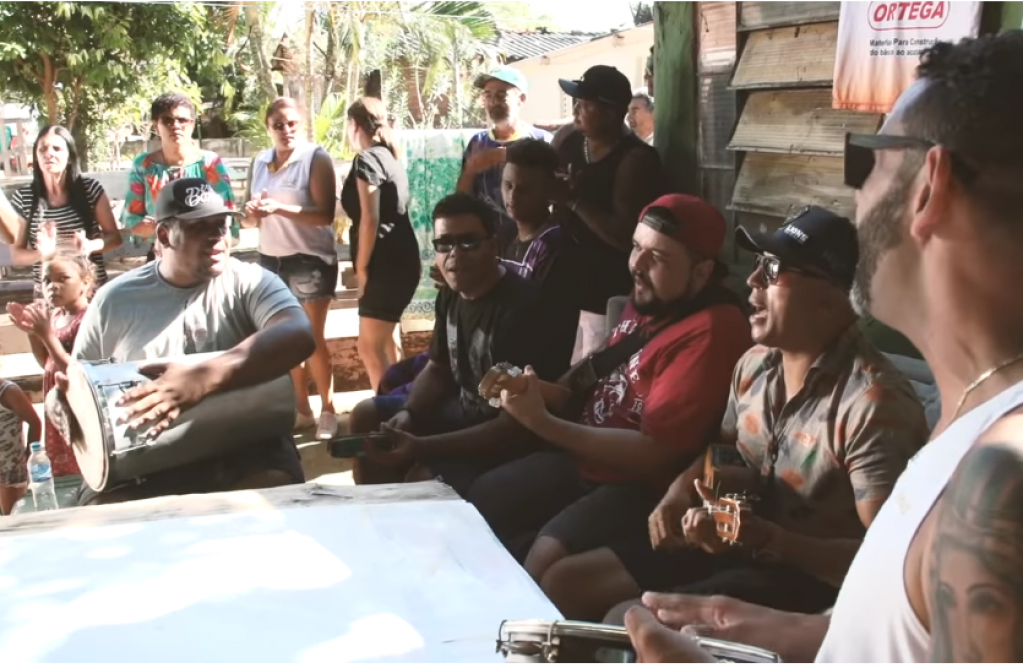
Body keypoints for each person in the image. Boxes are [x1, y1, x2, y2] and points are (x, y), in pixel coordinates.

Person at [623, 31, 1023, 663]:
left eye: (863, 161)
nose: (854, 198)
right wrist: (795, 636)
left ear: (930, 186)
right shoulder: (972, 427)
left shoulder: (1003, 475)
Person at [551, 207, 928, 623]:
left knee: (626, 620)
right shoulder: (755, 364)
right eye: (758, 265)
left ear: (832, 299)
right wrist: (686, 493)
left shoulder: (873, 406)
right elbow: (729, 452)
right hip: (738, 548)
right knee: (566, 583)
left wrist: (775, 541)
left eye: (773, 269)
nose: (752, 280)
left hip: (809, 584)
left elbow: (892, 563)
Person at [466, 194, 750, 579]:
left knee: (542, 563)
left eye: (659, 257)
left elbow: (656, 454)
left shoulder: (713, 329)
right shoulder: (651, 297)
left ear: (701, 273)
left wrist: (542, 423)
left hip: (635, 485)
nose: (638, 265)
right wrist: (533, 391)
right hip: (582, 459)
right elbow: (593, 388)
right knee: (479, 503)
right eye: (636, 247)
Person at [52, 178, 315, 505]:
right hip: (152, 459)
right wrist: (61, 405)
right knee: (96, 515)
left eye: (221, 225)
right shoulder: (114, 301)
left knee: (274, 491)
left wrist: (203, 378)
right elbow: (76, 382)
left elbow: (299, 334)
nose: (217, 237)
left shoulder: (250, 280)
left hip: (244, 447)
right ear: (164, 235)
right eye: (199, 227)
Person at [349, 192, 576, 495]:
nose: (454, 254)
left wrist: (422, 447)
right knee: (366, 417)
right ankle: (376, 517)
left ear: (493, 246)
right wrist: (411, 413)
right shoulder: (452, 291)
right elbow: (438, 367)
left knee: (421, 481)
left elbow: (514, 426)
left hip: (509, 435)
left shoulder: (522, 310)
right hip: (462, 411)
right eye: (445, 244)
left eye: (468, 242)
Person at [553, 65, 667, 362]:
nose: (576, 110)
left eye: (585, 104)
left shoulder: (635, 160)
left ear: (611, 111)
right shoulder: (569, 142)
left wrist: (575, 201)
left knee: (588, 375)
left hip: (603, 291)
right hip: (565, 284)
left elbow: (626, 236)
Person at [245, 97, 340, 439]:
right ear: (268, 128)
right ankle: (301, 409)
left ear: (302, 124)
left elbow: (324, 215)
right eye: (278, 125)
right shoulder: (260, 161)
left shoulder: (315, 158)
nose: (286, 131)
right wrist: (254, 212)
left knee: (312, 338)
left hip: (309, 259)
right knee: (286, 340)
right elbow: (248, 217)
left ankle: (328, 410)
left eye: (292, 124)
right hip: (271, 259)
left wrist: (279, 209)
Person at [340, 97, 421, 393]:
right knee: (388, 345)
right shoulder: (389, 157)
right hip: (401, 261)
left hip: (384, 265)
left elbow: (370, 220)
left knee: (369, 349)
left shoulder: (368, 159)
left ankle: (387, 419)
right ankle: (404, 410)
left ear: (354, 125)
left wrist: (361, 268)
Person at [7, 251, 95, 480]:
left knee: (83, 466)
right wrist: (33, 334)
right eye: (47, 280)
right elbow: (46, 363)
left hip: (77, 405)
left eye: (62, 278)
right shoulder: (54, 317)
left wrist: (45, 334)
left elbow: (76, 371)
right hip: (56, 407)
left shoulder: (88, 319)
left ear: (85, 282)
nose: (52, 286)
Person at [8, 126, 121, 296]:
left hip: (89, 292)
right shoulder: (25, 198)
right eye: (43, 149)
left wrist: (89, 246)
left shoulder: (90, 190)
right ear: (36, 156)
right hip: (49, 294)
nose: (49, 153)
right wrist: (43, 254)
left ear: (70, 156)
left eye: (57, 148)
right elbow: (17, 255)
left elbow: (114, 237)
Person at [122, 93, 237, 261]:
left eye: (182, 120)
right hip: (161, 255)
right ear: (156, 125)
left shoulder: (210, 163)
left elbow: (227, 215)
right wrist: (149, 227)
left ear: (192, 124)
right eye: (167, 120)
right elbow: (132, 221)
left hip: (204, 252)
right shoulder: (143, 166)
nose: (176, 126)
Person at [457, 66, 552, 243]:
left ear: (521, 99)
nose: (493, 102)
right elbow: (462, 198)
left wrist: (502, 156)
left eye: (501, 96)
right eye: (487, 95)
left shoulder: (542, 140)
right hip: (488, 244)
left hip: (532, 243)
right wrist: (470, 171)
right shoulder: (477, 143)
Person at [0, 372, 42, 515]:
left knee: (11, 518)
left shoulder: (8, 392)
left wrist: (29, 458)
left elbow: (35, 423)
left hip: (10, 473)